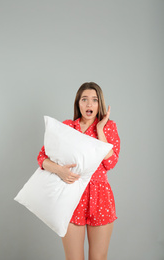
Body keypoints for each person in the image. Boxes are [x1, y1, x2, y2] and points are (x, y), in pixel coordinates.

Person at [37, 82, 120, 260]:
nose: (89, 104)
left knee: (98, 257)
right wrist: (60, 170)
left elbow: (111, 162)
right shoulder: (67, 127)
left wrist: (99, 129)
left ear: (100, 104)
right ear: (78, 103)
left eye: (94, 100)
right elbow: (42, 157)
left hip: (100, 197)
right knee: (73, 258)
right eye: (84, 100)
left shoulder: (108, 127)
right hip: (71, 195)